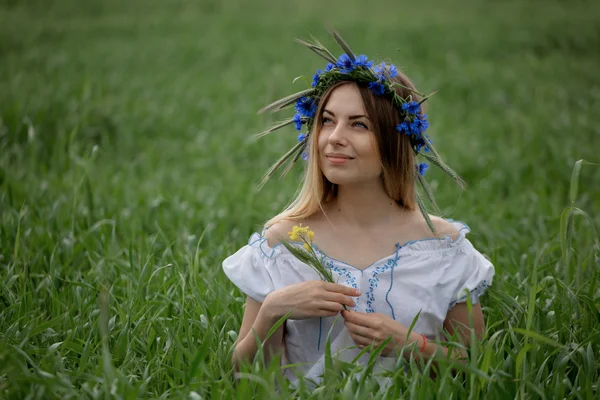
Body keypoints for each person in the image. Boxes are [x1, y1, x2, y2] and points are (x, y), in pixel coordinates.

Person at [222, 32, 495, 386]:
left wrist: (410, 344)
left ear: (396, 140)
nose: (334, 137)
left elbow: (479, 367)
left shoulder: (444, 249)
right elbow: (241, 377)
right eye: (327, 121)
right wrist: (273, 312)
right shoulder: (282, 244)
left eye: (359, 124)